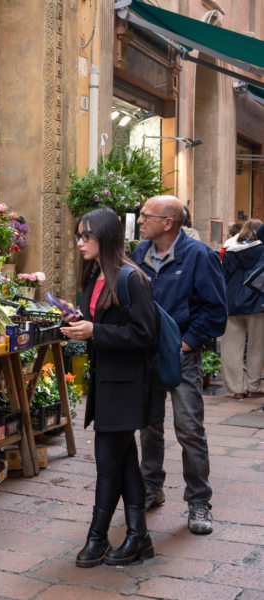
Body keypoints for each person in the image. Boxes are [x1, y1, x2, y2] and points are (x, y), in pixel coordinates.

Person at [60, 208, 160, 567]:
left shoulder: (131, 277)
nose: (80, 242)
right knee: (125, 461)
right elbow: (98, 321)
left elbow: (146, 334)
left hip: (128, 385)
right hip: (106, 383)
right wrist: (79, 322)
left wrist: (95, 331)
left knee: (107, 464)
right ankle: (138, 538)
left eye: (87, 236)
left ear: (107, 236)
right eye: (79, 235)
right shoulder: (94, 275)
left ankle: (97, 539)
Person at [131, 195, 227, 535]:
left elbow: (215, 310)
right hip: (146, 355)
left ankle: (199, 501)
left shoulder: (199, 256)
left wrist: (185, 343)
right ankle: (151, 488)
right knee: (149, 425)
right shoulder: (139, 254)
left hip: (182, 357)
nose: (140, 220)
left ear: (168, 223)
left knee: (188, 428)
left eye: (146, 215)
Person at [220, 219, 264, 399]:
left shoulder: (230, 250)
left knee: (230, 346)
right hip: (257, 303)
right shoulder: (262, 251)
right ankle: (254, 387)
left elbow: (221, 277)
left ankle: (235, 389)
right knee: (257, 346)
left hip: (231, 303)